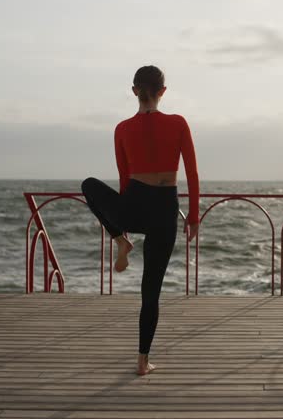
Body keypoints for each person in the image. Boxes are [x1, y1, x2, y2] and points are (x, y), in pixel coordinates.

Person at [81, 65, 199, 376]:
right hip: (164, 208)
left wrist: (122, 216)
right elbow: (192, 174)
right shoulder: (178, 123)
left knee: (88, 185)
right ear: (163, 91)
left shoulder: (121, 128)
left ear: (135, 91)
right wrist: (195, 216)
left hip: (132, 205)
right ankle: (143, 361)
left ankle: (120, 239)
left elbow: (123, 178)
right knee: (151, 292)